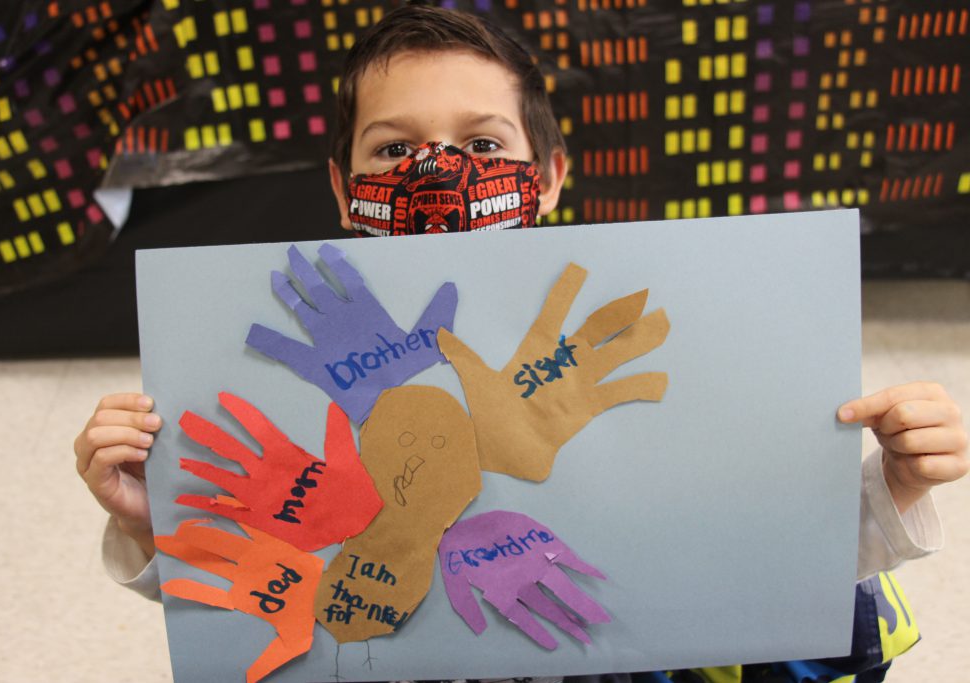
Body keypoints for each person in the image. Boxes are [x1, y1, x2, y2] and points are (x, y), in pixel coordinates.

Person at [74, 4, 968, 681]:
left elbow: (755, 548)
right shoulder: (290, 348)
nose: (437, 169)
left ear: (546, 177)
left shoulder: (669, 324)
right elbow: (248, 601)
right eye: (394, 150)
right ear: (346, 192)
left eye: (482, 140)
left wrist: (892, 484)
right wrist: (150, 517)